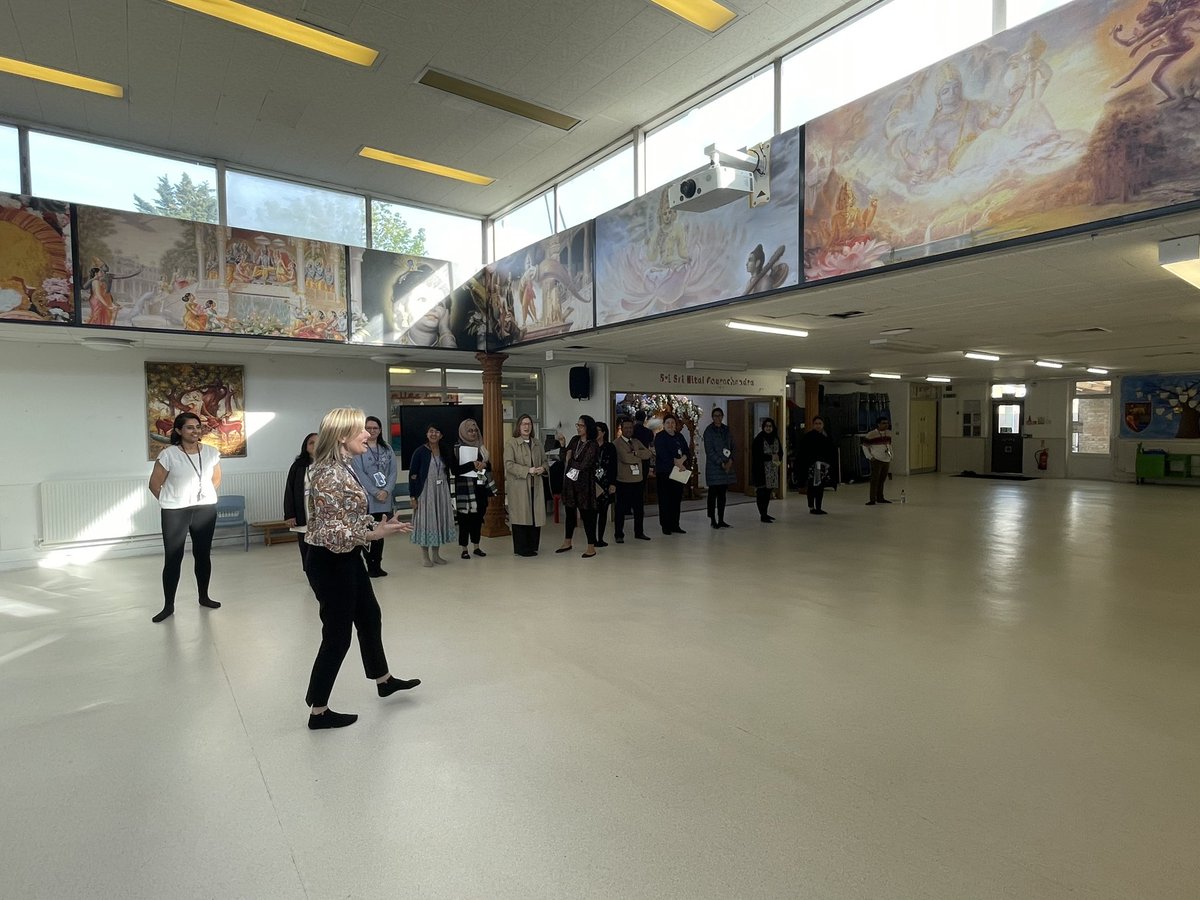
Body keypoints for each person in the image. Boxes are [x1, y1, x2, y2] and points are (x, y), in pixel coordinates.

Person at [304, 407, 419, 730]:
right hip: (330, 560)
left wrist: (375, 526)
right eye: (361, 430)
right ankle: (318, 711)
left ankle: (384, 680)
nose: (368, 434)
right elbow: (332, 532)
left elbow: (346, 517)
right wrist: (372, 535)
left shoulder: (344, 466)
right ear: (342, 436)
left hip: (347, 556)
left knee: (369, 616)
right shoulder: (328, 474)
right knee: (337, 636)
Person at [148, 413, 222, 623]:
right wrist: (170, 501)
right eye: (189, 427)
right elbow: (154, 484)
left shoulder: (211, 452)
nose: (195, 431)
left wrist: (203, 496)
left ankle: (204, 597)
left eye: (197, 427)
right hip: (175, 511)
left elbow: (216, 479)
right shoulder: (169, 455)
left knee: (203, 555)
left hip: (204, 510)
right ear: (179, 431)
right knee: (173, 558)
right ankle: (168, 605)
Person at [349, 416, 396, 577]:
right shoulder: (359, 449)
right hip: (368, 498)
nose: (372, 431)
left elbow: (393, 472)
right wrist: (376, 492)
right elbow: (359, 474)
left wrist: (386, 491)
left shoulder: (387, 448)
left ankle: (378, 564)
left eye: (375, 428)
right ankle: (370, 565)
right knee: (368, 532)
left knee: (380, 533)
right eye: (368, 428)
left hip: (384, 498)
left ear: (380, 430)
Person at [409, 424, 458, 566]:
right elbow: (413, 475)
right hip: (425, 491)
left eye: (437, 432)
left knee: (439, 521)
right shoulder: (419, 452)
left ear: (441, 435)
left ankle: (436, 555)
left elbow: (453, 468)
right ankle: (425, 556)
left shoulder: (444, 450)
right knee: (427, 522)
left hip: (441, 491)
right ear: (427, 434)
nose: (434, 434)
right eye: (431, 431)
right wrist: (413, 496)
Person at [504, 414, 548, 556]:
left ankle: (533, 546)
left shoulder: (537, 443)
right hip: (520, 487)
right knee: (521, 516)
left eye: (529, 424)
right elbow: (509, 465)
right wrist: (527, 470)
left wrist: (543, 468)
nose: (526, 426)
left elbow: (545, 461)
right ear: (518, 426)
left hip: (536, 485)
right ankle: (521, 548)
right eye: (523, 424)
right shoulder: (511, 443)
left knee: (535, 516)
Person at [557, 415, 599, 558]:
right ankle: (567, 542)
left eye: (581, 425)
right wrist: (563, 446)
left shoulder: (593, 444)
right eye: (578, 425)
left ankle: (591, 547)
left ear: (588, 427)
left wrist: (570, 460)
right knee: (569, 513)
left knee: (587, 515)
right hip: (570, 482)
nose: (578, 428)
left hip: (585, 484)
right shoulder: (575, 440)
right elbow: (563, 458)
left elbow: (584, 465)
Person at [453, 418, 492, 560]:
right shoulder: (457, 449)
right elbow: (455, 470)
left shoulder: (481, 448)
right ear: (463, 432)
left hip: (479, 488)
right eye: (470, 431)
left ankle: (476, 546)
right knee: (464, 520)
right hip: (464, 490)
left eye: (475, 430)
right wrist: (472, 464)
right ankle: (464, 549)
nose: (473, 433)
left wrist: (484, 465)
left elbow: (489, 467)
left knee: (477, 519)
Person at [613, 415, 653, 543]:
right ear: (622, 429)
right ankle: (619, 534)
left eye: (631, 427)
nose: (629, 430)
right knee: (620, 509)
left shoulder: (636, 442)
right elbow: (626, 458)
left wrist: (636, 453)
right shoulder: (617, 443)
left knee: (639, 509)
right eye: (626, 428)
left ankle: (639, 532)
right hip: (623, 481)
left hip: (637, 480)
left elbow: (648, 453)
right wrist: (638, 456)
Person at [283, 431, 318, 572]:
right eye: (311, 443)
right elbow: (289, 490)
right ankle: (309, 571)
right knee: (305, 545)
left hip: (322, 511)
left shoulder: (330, 463)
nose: (315, 445)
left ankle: (323, 572)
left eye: (318, 442)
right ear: (305, 446)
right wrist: (289, 515)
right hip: (303, 509)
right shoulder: (298, 466)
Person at [654, 413, 691, 535]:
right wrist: (677, 462)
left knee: (676, 499)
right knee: (665, 499)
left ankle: (675, 524)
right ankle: (665, 525)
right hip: (664, 472)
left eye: (673, 423)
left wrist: (682, 460)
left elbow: (686, 451)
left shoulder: (679, 436)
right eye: (668, 423)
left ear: (676, 425)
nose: (670, 425)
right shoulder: (660, 437)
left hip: (678, 472)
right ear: (664, 425)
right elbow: (662, 453)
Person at [702, 407, 735, 528]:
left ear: (722, 417)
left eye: (720, 415)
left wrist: (730, 460)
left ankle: (721, 519)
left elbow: (732, 446)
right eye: (715, 416)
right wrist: (721, 462)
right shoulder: (709, 431)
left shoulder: (726, 429)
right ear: (712, 417)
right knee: (713, 495)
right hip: (714, 467)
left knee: (722, 495)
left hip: (726, 466)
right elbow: (709, 450)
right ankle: (713, 519)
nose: (718, 418)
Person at [800, 416, 837, 515]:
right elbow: (804, 452)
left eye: (820, 423)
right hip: (812, 466)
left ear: (823, 425)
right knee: (812, 486)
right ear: (813, 425)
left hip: (823, 466)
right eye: (816, 424)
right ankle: (811, 507)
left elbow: (831, 450)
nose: (818, 426)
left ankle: (819, 507)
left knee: (821, 487)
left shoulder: (826, 436)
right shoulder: (808, 437)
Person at [751, 417, 782, 523]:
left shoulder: (775, 438)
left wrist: (778, 457)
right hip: (760, 470)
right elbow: (757, 455)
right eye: (766, 426)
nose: (768, 428)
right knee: (761, 492)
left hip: (772, 470)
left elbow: (780, 452)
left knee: (768, 492)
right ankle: (762, 514)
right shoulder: (759, 439)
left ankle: (765, 513)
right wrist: (770, 457)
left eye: (770, 426)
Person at [593, 421, 617, 547]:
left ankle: (600, 538)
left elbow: (613, 466)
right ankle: (592, 539)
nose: (596, 433)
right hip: (592, 482)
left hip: (606, 482)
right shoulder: (590, 446)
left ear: (603, 432)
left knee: (603, 512)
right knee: (592, 513)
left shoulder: (610, 447)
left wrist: (613, 483)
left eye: (598, 430)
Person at [863, 416, 894, 505]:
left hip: (886, 459)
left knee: (882, 480)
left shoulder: (888, 433)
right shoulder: (871, 434)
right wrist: (870, 457)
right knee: (875, 480)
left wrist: (891, 455)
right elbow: (864, 446)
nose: (886, 425)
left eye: (887, 423)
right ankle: (872, 499)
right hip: (876, 459)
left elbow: (889, 445)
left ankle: (880, 498)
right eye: (883, 423)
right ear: (878, 424)